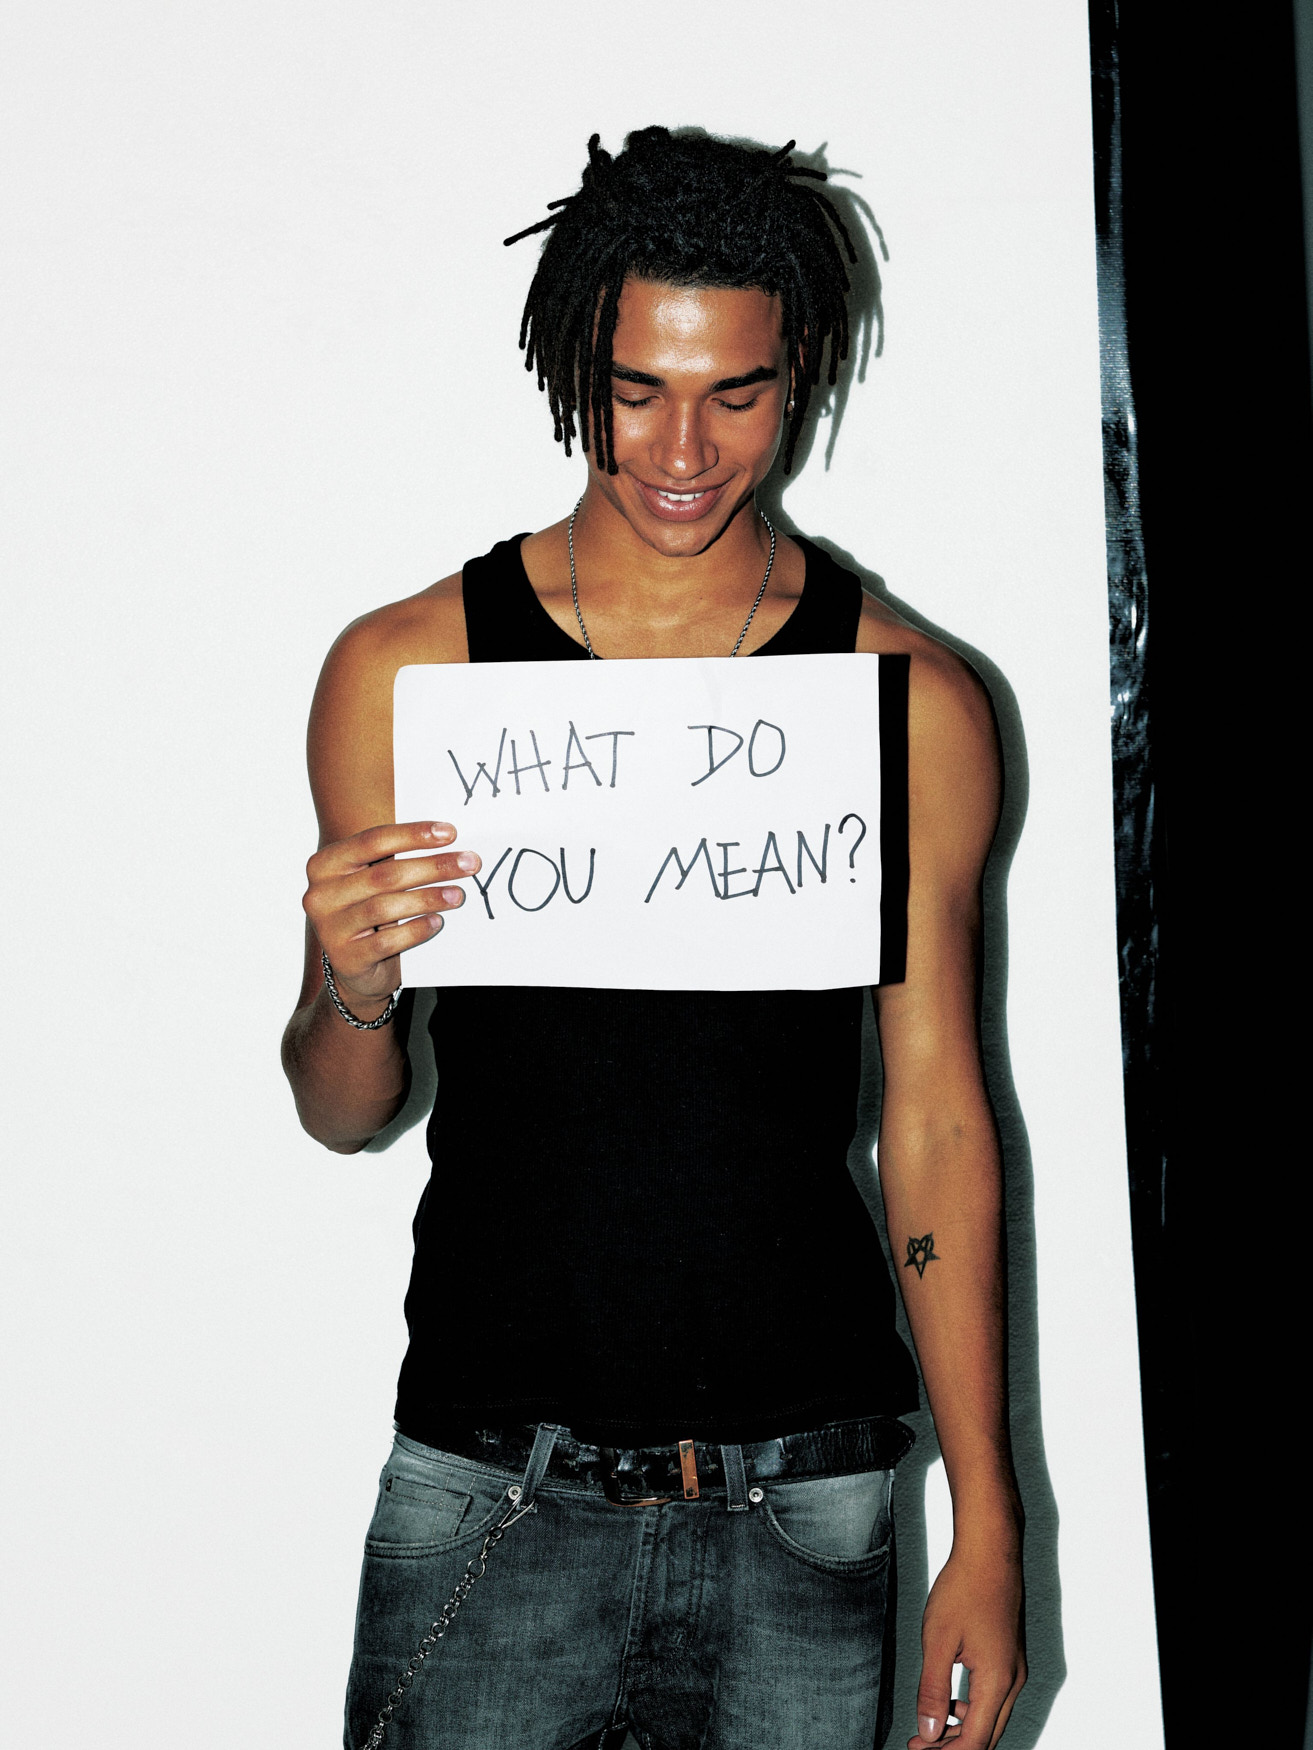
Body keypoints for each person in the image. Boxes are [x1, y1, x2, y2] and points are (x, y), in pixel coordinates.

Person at [281, 127, 1025, 1750]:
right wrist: (353, 982)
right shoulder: (408, 673)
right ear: (572, 369)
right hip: (492, 1479)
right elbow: (341, 1109)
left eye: (734, 394)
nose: (682, 448)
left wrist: (989, 1517)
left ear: (798, 370)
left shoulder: (909, 703)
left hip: (808, 1494)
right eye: (636, 391)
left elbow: (938, 1119)